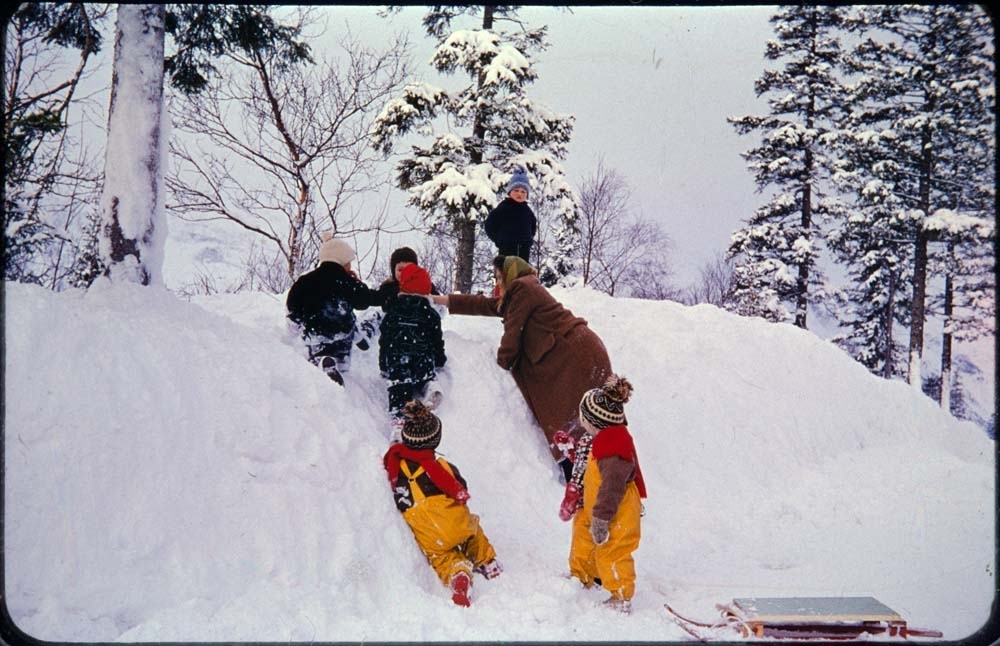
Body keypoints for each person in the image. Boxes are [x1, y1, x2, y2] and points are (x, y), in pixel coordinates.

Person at [431, 255, 613, 481]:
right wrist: (442, 300)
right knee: (595, 418)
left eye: (499, 277)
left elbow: (513, 332)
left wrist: (502, 362)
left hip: (575, 354)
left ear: (510, 275)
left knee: (575, 415)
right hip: (580, 350)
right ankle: (597, 473)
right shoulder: (522, 291)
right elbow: (488, 305)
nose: (497, 283)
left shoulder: (523, 289)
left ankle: (586, 474)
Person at [383, 400, 503, 607]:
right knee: (472, 532)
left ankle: (458, 575)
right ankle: (488, 562)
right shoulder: (440, 466)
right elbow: (460, 488)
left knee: (442, 557)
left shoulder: (395, 463)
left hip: (427, 531)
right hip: (451, 520)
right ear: (434, 441)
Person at [565, 375, 646, 615]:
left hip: (615, 511)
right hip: (596, 506)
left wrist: (601, 519)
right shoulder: (604, 439)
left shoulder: (614, 451)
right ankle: (582, 575)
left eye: (584, 418)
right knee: (583, 534)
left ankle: (620, 595)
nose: (581, 422)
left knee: (614, 549)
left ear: (596, 422)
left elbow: (611, 487)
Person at [285, 233, 380, 385]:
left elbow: (292, 308)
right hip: (343, 334)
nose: (350, 266)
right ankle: (341, 363)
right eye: (348, 262)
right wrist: (356, 282)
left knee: (316, 345)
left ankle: (322, 360)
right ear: (341, 261)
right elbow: (364, 301)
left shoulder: (304, 281)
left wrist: (295, 329)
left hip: (316, 334)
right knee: (344, 337)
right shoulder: (347, 282)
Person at [378, 263, 447, 438]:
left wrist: (384, 366)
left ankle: (399, 423)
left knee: (399, 388)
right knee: (426, 376)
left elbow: (384, 341)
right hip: (422, 360)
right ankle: (429, 387)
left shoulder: (392, 312)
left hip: (397, 361)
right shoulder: (430, 314)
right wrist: (440, 360)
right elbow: (437, 342)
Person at [484, 167, 537, 263]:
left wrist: (528, 239)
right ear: (510, 192)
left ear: (527, 194)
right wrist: (499, 239)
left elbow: (533, 227)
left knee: (522, 274)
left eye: (523, 192)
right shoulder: (503, 208)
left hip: (524, 251)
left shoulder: (527, 211)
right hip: (506, 249)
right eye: (516, 190)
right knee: (507, 274)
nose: (519, 194)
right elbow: (489, 225)